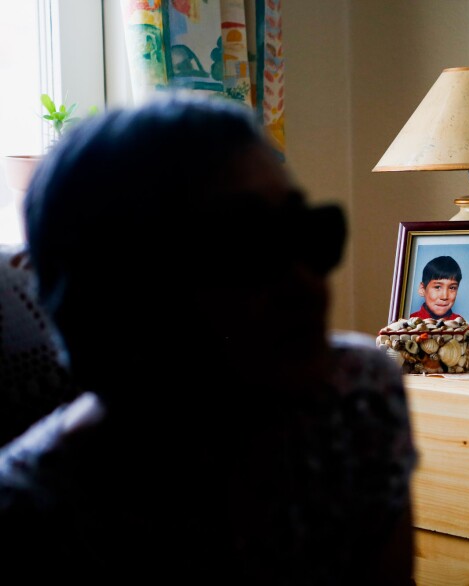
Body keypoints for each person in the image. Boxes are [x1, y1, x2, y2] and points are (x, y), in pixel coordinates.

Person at [0, 94, 417, 585]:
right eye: (246, 249)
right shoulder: (34, 516)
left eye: (308, 234)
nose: (306, 283)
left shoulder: (358, 397)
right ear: (118, 293)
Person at [410, 255, 463, 320]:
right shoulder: (406, 324)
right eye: (437, 287)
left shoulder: (463, 326)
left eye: (452, 288)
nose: (444, 296)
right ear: (422, 289)